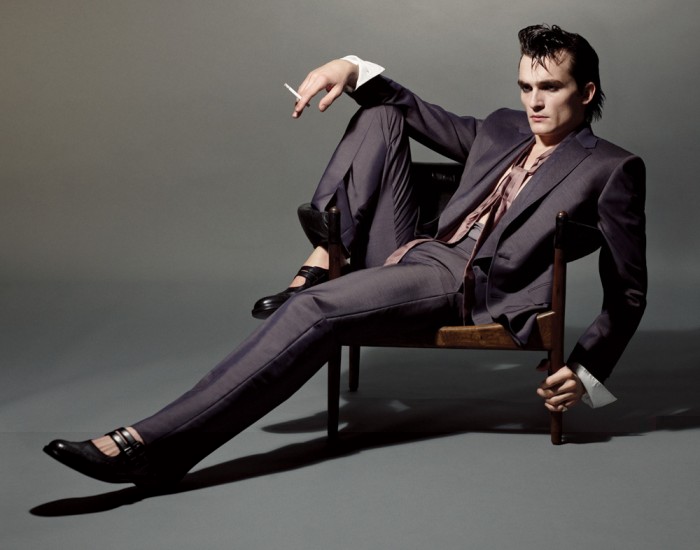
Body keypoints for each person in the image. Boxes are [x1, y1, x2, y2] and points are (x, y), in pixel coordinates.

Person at [44, 24, 646, 489]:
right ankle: (324, 251)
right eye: (526, 87)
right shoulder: (503, 127)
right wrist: (351, 67)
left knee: (313, 311)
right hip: (414, 251)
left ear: (586, 92)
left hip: (463, 284)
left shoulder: (609, 167)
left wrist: (587, 374)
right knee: (380, 114)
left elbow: (628, 289)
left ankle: (157, 446)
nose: (534, 102)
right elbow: (414, 111)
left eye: (550, 88)